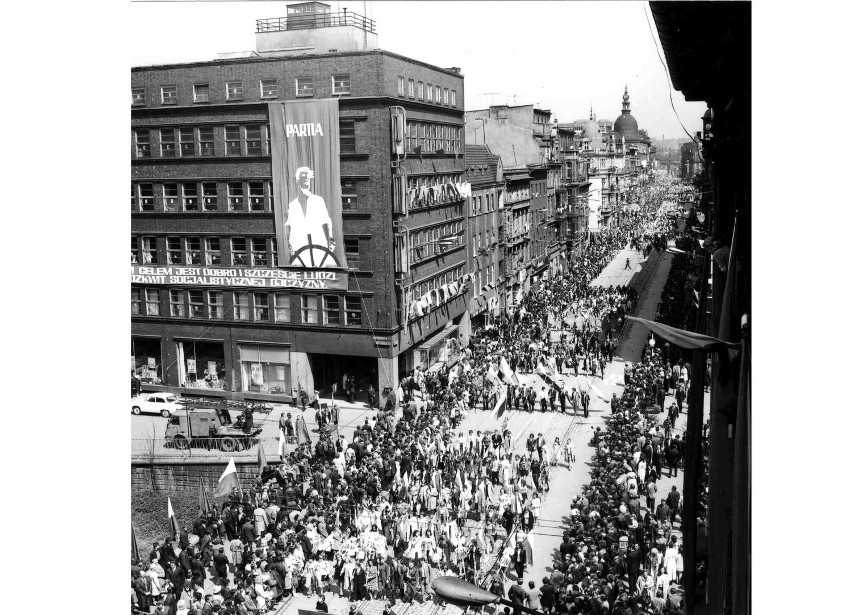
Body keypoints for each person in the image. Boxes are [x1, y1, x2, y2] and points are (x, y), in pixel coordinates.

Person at [284, 166, 336, 265]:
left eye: (308, 178)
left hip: (318, 243)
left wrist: (330, 237)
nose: (306, 180)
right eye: (304, 178)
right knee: (300, 274)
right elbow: (289, 226)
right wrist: (289, 242)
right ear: (298, 182)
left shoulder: (318, 200)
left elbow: (327, 220)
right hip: (299, 245)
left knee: (321, 271)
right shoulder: (292, 205)